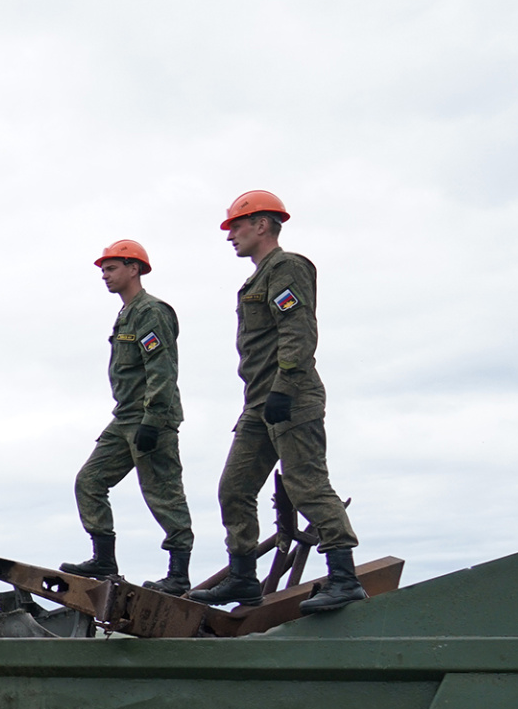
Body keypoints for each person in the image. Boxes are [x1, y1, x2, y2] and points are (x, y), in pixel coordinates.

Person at [188, 189, 366, 614]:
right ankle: (244, 578)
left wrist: (285, 389)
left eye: (236, 226)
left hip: (291, 395)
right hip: (258, 402)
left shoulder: (287, 267)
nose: (230, 235)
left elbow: (298, 329)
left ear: (262, 224)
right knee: (234, 488)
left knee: (306, 484)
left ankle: (344, 577)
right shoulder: (256, 277)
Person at [66, 238, 194, 592]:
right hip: (124, 418)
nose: (104, 275)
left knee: (163, 493)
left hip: (151, 418)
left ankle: (179, 574)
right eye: (103, 270)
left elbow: (162, 369)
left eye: (111, 268)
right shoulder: (126, 313)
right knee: (89, 481)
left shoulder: (151, 311)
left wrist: (153, 422)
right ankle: (103, 558)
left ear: (134, 268)